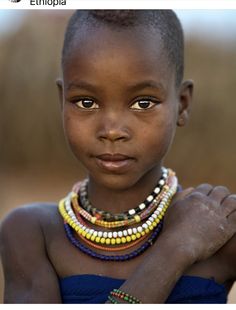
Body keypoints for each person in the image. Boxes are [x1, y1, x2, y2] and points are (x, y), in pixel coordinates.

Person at [0, 10, 236, 304]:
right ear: (62, 101)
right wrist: (175, 250)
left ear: (182, 104)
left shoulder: (220, 229)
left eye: (143, 102)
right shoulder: (31, 234)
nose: (112, 130)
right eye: (86, 102)